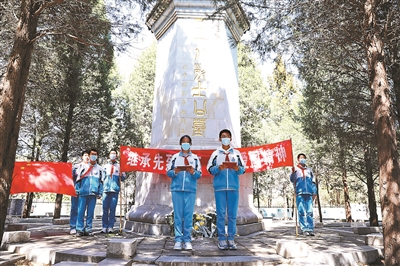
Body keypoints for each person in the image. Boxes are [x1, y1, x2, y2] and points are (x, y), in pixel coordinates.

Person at [207, 129, 245, 250]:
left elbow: (243, 169)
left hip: (233, 187)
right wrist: (219, 168)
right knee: (221, 214)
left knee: (233, 215)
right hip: (220, 188)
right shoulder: (215, 154)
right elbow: (209, 169)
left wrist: (237, 168)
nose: (225, 138)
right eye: (223, 136)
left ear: (231, 139)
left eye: (227, 137)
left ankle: (231, 239)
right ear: (219, 139)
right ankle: (222, 239)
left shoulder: (237, 154)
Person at [166, 135, 202, 250]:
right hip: (177, 189)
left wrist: (193, 172)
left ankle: (187, 240)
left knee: (188, 216)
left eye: (187, 142)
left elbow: (199, 174)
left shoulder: (195, 158)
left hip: (190, 190)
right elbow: (168, 172)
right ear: (180, 144)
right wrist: (175, 171)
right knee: (178, 215)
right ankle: (178, 239)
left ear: (190, 144)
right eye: (183, 142)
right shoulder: (175, 157)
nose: (185, 144)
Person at [75, 148, 103, 236]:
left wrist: (100, 192)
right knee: (80, 212)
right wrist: (77, 190)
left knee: (90, 213)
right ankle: (79, 229)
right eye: (92, 154)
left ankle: (88, 229)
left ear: (97, 156)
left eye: (95, 154)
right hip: (83, 192)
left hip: (93, 193)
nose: (93, 156)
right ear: (89, 155)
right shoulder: (83, 167)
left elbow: (101, 182)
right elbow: (78, 180)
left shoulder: (100, 169)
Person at [290, 153, 317, 236]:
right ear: (298, 160)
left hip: (309, 193)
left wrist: (314, 192)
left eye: (304, 158)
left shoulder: (309, 170)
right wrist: (293, 172)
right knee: (301, 211)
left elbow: (313, 182)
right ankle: (304, 228)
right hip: (299, 193)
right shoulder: (296, 169)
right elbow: (292, 180)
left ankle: (310, 228)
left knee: (310, 211)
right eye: (301, 158)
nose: (302, 159)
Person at [101, 149, 126, 234]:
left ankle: (111, 226)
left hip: (115, 190)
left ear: (117, 156)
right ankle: (104, 226)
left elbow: (123, 178)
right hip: (106, 189)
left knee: (112, 209)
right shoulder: (104, 166)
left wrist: (121, 175)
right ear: (109, 155)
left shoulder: (120, 166)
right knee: (104, 209)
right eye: (111, 153)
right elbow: (102, 178)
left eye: (114, 154)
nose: (113, 155)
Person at [70, 150, 90, 235]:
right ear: (82, 157)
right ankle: (73, 227)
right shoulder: (76, 166)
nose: (87, 157)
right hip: (75, 190)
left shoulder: (92, 167)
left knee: (82, 210)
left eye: (88, 155)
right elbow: (71, 177)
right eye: (85, 155)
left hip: (85, 191)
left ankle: (80, 227)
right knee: (74, 208)